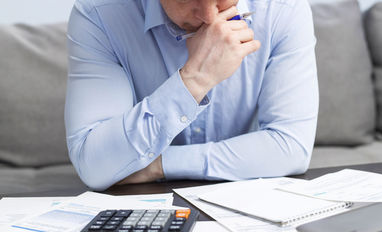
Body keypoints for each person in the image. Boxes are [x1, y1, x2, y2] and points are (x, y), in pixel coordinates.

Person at [65, 0, 318, 191]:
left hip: (242, 197)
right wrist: (195, 78)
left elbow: (291, 146)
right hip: (141, 205)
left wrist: (159, 165)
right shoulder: (99, 14)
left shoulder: (284, 9)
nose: (209, 17)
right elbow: (94, 165)